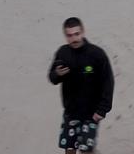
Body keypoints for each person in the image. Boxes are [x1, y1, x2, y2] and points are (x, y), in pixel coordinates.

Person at [48, 17, 114, 153]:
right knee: (70, 149)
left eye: (77, 34)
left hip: (91, 113)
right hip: (71, 113)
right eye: (70, 35)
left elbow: (108, 81)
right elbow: (52, 78)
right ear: (65, 36)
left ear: (83, 32)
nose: (74, 39)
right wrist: (57, 74)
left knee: (86, 150)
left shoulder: (96, 54)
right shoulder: (63, 53)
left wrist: (102, 110)